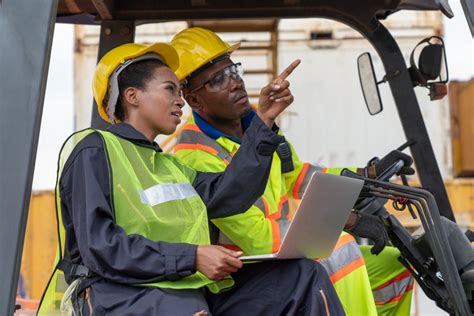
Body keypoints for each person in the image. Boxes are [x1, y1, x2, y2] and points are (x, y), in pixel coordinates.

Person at [38, 42, 344, 315]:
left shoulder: (170, 166)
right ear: (132, 96)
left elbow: (231, 194)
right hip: (117, 294)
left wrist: (263, 120)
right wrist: (192, 257)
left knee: (303, 276)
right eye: (170, 89)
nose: (181, 101)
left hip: (182, 288)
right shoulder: (94, 149)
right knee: (186, 307)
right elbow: (102, 248)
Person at [171, 27, 415, 316]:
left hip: (283, 258)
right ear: (193, 99)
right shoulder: (196, 155)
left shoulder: (255, 127)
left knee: (395, 267)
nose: (235, 83)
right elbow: (257, 238)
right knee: (342, 250)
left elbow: (299, 178)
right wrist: (343, 220)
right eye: (217, 79)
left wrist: (366, 174)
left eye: (234, 70)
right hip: (244, 276)